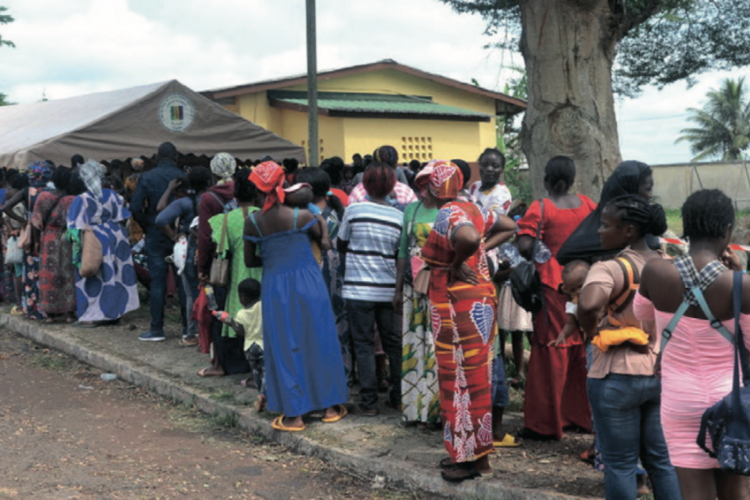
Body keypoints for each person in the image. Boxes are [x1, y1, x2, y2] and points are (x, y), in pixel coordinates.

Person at [636, 189, 750, 500]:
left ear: (685, 227)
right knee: (736, 493)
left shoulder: (655, 271)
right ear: (728, 231)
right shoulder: (741, 285)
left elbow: (641, 314)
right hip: (732, 402)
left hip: (679, 401)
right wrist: (738, 276)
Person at [578, 194, 679, 500]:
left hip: (615, 375)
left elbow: (589, 302)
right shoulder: (671, 266)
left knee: (620, 465)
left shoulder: (610, 268)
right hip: (660, 373)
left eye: (606, 225)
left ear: (629, 231)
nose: (599, 230)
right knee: (661, 462)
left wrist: (590, 329)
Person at [420, 161, 516, 482]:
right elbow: (508, 226)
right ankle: (482, 459)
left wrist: (460, 261)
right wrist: (477, 254)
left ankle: (466, 458)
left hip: (456, 306)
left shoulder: (449, 213)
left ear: (434, 189)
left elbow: (469, 238)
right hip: (480, 300)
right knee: (478, 378)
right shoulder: (472, 207)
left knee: (458, 380)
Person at [243, 161, 348, 432]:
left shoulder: (253, 222)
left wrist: (274, 255)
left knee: (285, 345)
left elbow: (251, 260)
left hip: (275, 285)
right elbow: (324, 245)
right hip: (309, 282)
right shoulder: (300, 216)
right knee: (319, 338)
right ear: (282, 184)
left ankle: (295, 415)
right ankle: (330, 407)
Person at [516, 156, 595, 440]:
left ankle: (546, 423)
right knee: (581, 351)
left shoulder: (541, 207)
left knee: (551, 349)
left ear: (546, 179)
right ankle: (580, 416)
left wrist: (541, 252)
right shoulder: (588, 205)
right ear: (573, 179)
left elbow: (525, 245)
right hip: (585, 284)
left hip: (552, 287)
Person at [338, 162, 404, 416]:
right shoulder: (399, 217)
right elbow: (400, 254)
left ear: (364, 185)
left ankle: (368, 403)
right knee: (393, 344)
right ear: (391, 187)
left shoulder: (353, 211)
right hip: (388, 290)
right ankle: (398, 397)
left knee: (363, 345)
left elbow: (341, 244)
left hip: (357, 291)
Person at [200, 168, 262, 377]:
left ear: (235, 194)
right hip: (262, 275)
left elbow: (220, 250)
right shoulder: (263, 217)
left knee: (234, 318)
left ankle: (229, 364)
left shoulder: (225, 220)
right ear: (256, 193)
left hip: (237, 276)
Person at [296, 167, 352, 386]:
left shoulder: (307, 216)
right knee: (340, 332)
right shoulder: (337, 210)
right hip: (339, 277)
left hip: (318, 277)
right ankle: (343, 381)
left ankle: (323, 383)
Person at [394, 164, 440, 424]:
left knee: (435, 344)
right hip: (413, 288)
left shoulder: (448, 209)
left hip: (439, 286)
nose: (424, 188)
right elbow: (402, 250)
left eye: (429, 182)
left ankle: (435, 411)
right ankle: (414, 409)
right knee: (414, 344)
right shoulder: (411, 209)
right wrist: (398, 289)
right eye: (421, 182)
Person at [67, 161, 140, 324]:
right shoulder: (112, 194)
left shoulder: (81, 199)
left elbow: (73, 226)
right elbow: (122, 216)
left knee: (94, 278)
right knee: (115, 275)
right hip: (116, 237)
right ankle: (116, 313)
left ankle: (95, 316)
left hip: (94, 239)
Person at [130, 142, 185, 341]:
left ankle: (156, 329)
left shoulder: (147, 177)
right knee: (182, 281)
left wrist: (148, 226)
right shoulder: (182, 177)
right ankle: (188, 328)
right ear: (176, 157)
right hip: (179, 236)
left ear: (155, 157)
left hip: (155, 234)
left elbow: (136, 207)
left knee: (158, 281)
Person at [557, 160, 657, 265]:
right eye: (648, 189)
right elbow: (565, 255)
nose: (651, 195)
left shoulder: (648, 229)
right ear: (630, 190)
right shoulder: (596, 240)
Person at [154, 166, 213, 345]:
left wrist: (174, 235)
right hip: (211, 248)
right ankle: (211, 330)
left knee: (191, 294)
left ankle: (192, 333)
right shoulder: (213, 199)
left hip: (190, 251)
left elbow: (160, 218)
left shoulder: (185, 203)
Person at [3, 161, 54, 320]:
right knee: (50, 270)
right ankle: (51, 307)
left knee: (31, 271)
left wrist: (24, 221)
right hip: (50, 234)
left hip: (31, 235)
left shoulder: (26, 192)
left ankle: (33, 308)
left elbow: (6, 208)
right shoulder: (52, 191)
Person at [30, 166, 76, 323]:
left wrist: (36, 242)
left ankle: (49, 313)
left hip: (48, 238)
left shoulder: (43, 197)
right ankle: (70, 312)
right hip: (67, 239)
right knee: (67, 274)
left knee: (48, 274)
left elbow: (35, 221)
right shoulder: (72, 199)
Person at [213, 278, 266, 410]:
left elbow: (240, 331)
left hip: (250, 347)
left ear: (242, 296)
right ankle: (266, 394)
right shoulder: (263, 306)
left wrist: (230, 322)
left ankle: (261, 393)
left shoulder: (242, 314)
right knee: (266, 371)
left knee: (256, 371)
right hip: (265, 346)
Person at [349, 145, 417, 211]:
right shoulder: (406, 192)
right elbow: (414, 216)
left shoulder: (358, 190)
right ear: (395, 163)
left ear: (374, 162)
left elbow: (349, 214)